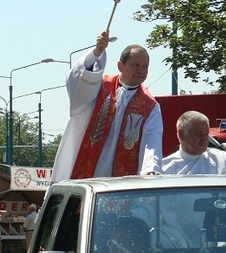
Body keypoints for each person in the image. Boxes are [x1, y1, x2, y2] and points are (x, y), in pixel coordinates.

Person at [51, 31, 163, 183]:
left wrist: (151, 168)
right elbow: (78, 84)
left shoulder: (149, 106)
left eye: (145, 66)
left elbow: (152, 139)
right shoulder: (100, 87)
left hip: (120, 182)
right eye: (136, 65)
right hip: (87, 171)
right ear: (120, 66)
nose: (141, 71)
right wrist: (96, 53)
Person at [162, 111, 226, 175]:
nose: (205, 139)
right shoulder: (165, 167)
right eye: (199, 134)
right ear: (181, 134)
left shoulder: (219, 158)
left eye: (207, 134)